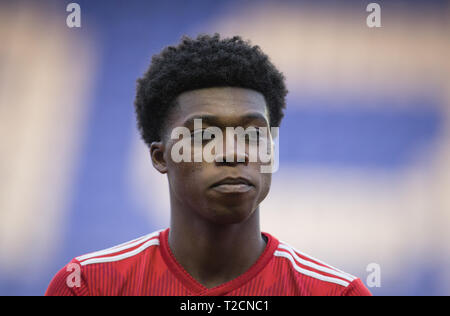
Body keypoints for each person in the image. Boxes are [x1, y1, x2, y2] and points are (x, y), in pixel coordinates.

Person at [45, 34, 371, 296]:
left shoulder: (337, 293)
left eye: (253, 134)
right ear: (161, 157)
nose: (232, 154)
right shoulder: (89, 285)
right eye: (204, 135)